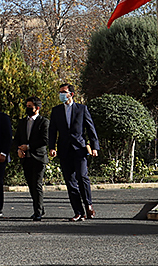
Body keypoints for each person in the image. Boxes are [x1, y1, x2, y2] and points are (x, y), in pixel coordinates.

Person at [49, 84, 100, 222]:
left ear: (71, 94)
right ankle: (78, 211)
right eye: (60, 92)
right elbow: (52, 130)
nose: (61, 94)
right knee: (70, 182)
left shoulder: (82, 109)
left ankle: (88, 205)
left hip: (79, 149)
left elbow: (90, 128)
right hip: (64, 150)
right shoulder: (56, 111)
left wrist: (94, 147)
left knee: (82, 177)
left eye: (64, 92)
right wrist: (52, 147)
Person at [14, 96, 50, 221]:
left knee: (37, 184)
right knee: (31, 184)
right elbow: (17, 138)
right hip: (26, 158)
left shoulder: (43, 122)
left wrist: (29, 147)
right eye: (27, 106)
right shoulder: (22, 122)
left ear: (37, 108)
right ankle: (40, 207)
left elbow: (45, 140)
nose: (27, 108)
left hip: (38, 158)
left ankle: (37, 212)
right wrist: (19, 149)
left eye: (30, 106)